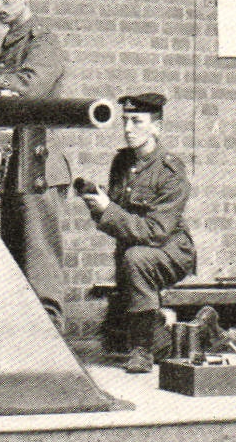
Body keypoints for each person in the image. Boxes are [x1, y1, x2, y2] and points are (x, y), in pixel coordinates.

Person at [0, 0, 72, 330]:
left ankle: (55, 359)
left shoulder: (43, 41)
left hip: (40, 168)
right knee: (18, 263)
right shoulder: (14, 41)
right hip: (18, 167)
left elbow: (28, 88)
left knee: (41, 267)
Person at [78, 93, 196, 374]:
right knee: (119, 337)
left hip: (172, 251)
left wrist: (110, 211)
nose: (128, 129)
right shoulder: (122, 162)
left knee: (135, 257)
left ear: (157, 127)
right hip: (136, 252)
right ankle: (185, 337)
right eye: (125, 121)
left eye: (137, 121)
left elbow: (156, 231)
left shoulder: (171, 170)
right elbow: (120, 216)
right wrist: (99, 204)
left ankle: (141, 352)